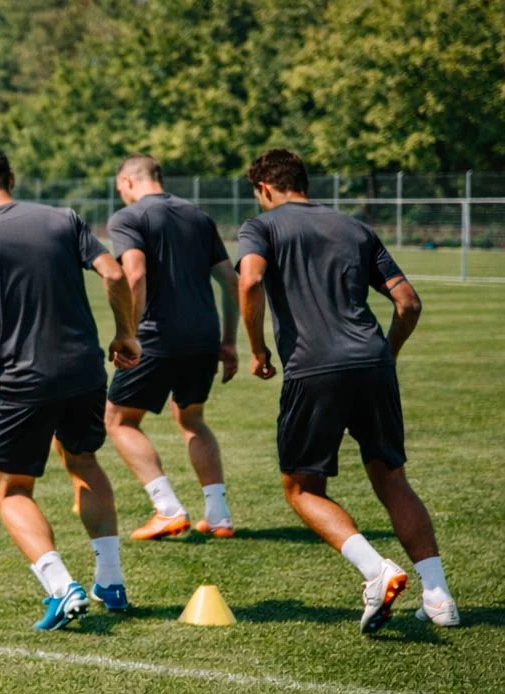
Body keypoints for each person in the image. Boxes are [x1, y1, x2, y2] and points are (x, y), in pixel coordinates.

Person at [237, 148, 458, 631]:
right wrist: (387, 355)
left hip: (313, 368)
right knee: (391, 477)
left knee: (300, 487)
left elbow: (250, 281)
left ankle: (375, 570)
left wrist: (256, 349)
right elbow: (408, 303)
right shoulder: (355, 228)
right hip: (372, 362)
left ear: (265, 189)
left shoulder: (262, 226)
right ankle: (439, 598)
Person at [0, 146, 140, 629]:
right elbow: (114, 272)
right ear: (11, 176)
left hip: (22, 381)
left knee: (12, 489)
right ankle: (110, 581)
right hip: (85, 371)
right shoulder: (63, 219)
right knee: (84, 460)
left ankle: (60, 585)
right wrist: (126, 332)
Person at [104, 155, 241, 539]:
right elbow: (231, 282)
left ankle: (167, 508)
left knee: (118, 420)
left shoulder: (127, 218)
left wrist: (129, 332)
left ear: (129, 182)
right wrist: (228, 341)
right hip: (203, 336)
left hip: (156, 336)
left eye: (120, 188)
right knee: (192, 419)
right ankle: (218, 515)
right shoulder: (200, 217)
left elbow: (134, 274)